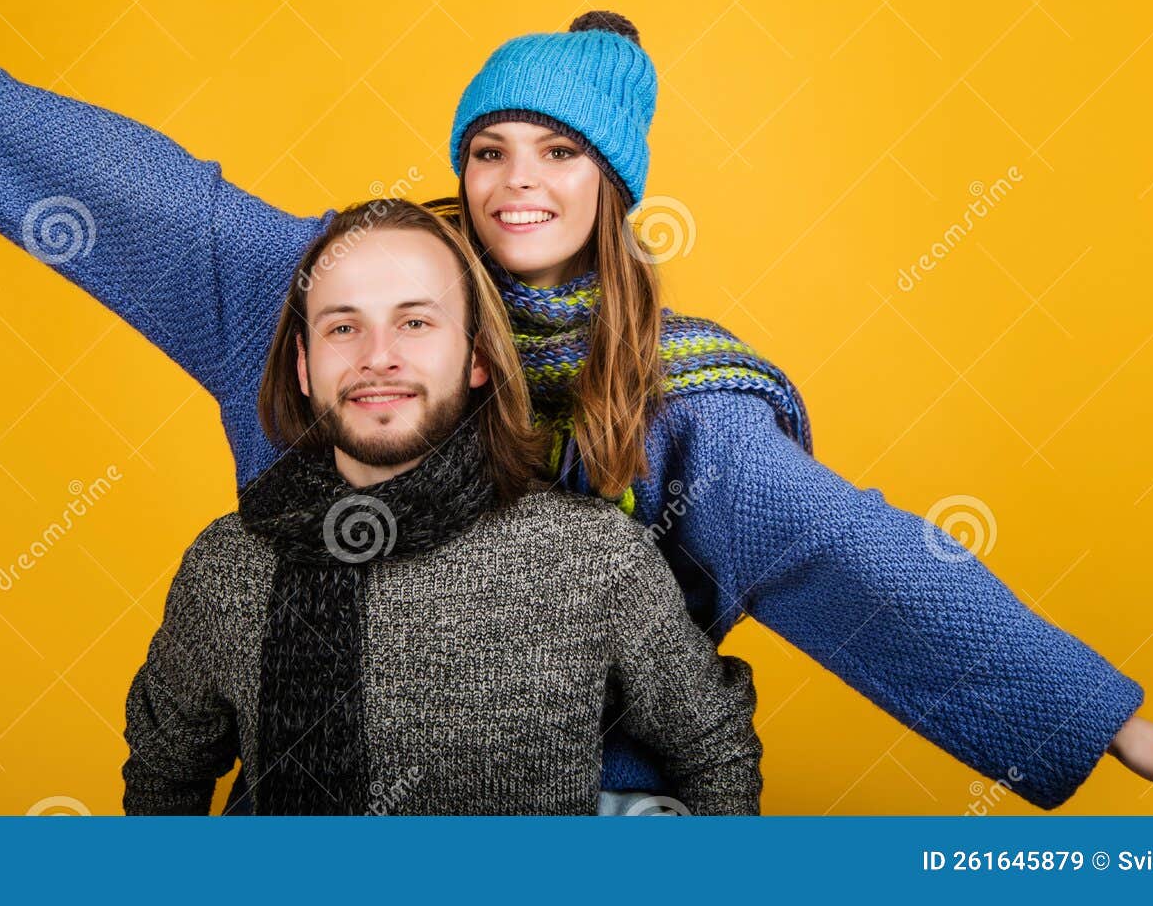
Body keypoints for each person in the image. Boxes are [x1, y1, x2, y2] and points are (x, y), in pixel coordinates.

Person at [0, 0, 1153, 813]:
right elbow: (156, 198)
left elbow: (850, 549)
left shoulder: (684, 398)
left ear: (613, 184)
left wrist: (1091, 712)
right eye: (490, 145)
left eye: (559, 151)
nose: (516, 180)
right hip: (335, 784)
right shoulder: (354, 295)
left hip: (589, 804)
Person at [122, 199, 762, 815]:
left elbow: (712, 749)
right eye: (343, 327)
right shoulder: (229, 568)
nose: (377, 357)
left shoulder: (591, 557)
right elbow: (163, 776)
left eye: (416, 322)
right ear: (304, 366)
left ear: (478, 356)